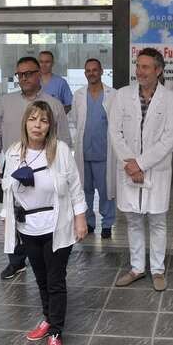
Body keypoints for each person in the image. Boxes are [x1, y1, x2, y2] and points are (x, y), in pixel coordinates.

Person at [2, 101, 87, 345]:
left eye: (44, 120)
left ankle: (56, 332)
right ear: (25, 123)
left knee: (55, 280)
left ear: (50, 126)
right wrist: (6, 220)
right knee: (40, 278)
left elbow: (75, 187)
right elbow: (7, 191)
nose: (37, 125)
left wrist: (80, 218)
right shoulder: (13, 152)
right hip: (28, 227)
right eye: (33, 119)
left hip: (56, 226)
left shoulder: (60, 151)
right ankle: (48, 318)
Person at [0, 56, 71, 281]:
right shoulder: (7, 101)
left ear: (39, 75)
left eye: (28, 73)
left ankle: (48, 257)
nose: (24, 78)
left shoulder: (53, 104)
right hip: (14, 166)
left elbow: (64, 139)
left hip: (46, 167)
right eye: (20, 74)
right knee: (14, 212)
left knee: (42, 213)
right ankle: (16, 262)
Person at [109, 48, 173, 292]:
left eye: (146, 67)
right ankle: (137, 268)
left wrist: (140, 164)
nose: (140, 71)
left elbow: (170, 139)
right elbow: (115, 132)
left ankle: (157, 270)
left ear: (158, 70)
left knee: (158, 221)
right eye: (138, 66)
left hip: (155, 170)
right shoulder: (122, 95)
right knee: (133, 221)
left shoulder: (170, 99)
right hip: (128, 169)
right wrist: (130, 164)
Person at [71, 58, 117, 239]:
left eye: (95, 70)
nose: (92, 73)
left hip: (104, 153)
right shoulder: (78, 95)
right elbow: (76, 120)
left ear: (101, 71)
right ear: (85, 74)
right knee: (85, 190)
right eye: (88, 70)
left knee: (106, 191)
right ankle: (88, 222)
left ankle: (107, 224)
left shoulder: (112, 95)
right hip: (84, 153)